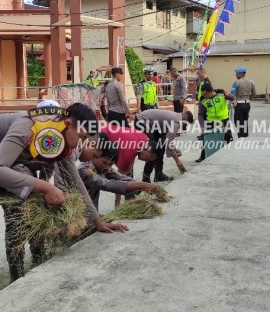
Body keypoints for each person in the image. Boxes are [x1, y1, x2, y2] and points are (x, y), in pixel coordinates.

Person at [0, 103, 128, 282]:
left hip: (15, 163)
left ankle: (35, 262)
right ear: (68, 123)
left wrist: (97, 221)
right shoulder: (28, 126)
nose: (80, 145)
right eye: (81, 137)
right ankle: (16, 277)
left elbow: (74, 180)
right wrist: (46, 187)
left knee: (35, 205)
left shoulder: (61, 137)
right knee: (17, 214)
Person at [78, 137, 157, 211]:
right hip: (78, 211)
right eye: (105, 163)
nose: (107, 167)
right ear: (95, 156)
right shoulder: (85, 170)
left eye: (110, 165)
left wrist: (144, 185)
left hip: (90, 213)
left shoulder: (103, 167)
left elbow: (121, 177)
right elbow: (106, 184)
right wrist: (141, 185)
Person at [100, 125, 159, 207]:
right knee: (98, 173)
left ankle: (130, 198)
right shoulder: (131, 149)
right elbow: (119, 179)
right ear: (146, 150)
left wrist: (129, 174)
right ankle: (117, 204)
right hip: (100, 136)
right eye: (147, 158)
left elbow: (130, 164)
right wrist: (118, 203)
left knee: (127, 173)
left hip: (107, 130)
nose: (146, 161)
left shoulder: (144, 138)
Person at [134, 109, 194, 182]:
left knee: (160, 147)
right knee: (153, 150)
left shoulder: (175, 116)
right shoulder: (176, 122)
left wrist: (175, 149)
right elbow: (168, 141)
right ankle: (146, 177)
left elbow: (165, 139)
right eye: (186, 125)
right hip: (142, 121)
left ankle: (158, 175)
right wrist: (178, 161)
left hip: (149, 124)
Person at [196, 83, 233, 162]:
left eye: (206, 94)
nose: (204, 96)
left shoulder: (222, 94)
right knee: (205, 138)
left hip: (224, 120)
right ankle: (203, 156)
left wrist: (233, 99)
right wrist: (202, 126)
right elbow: (200, 114)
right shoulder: (203, 100)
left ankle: (230, 156)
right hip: (210, 121)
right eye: (203, 94)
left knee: (228, 138)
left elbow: (232, 98)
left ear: (211, 91)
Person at [230, 66, 256, 138]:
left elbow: (233, 94)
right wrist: (249, 99)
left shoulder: (236, 82)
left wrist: (233, 101)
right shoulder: (251, 82)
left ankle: (241, 137)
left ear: (241, 74)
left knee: (238, 121)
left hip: (239, 105)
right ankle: (245, 135)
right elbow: (254, 93)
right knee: (245, 120)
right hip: (247, 104)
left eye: (237, 73)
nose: (235, 74)